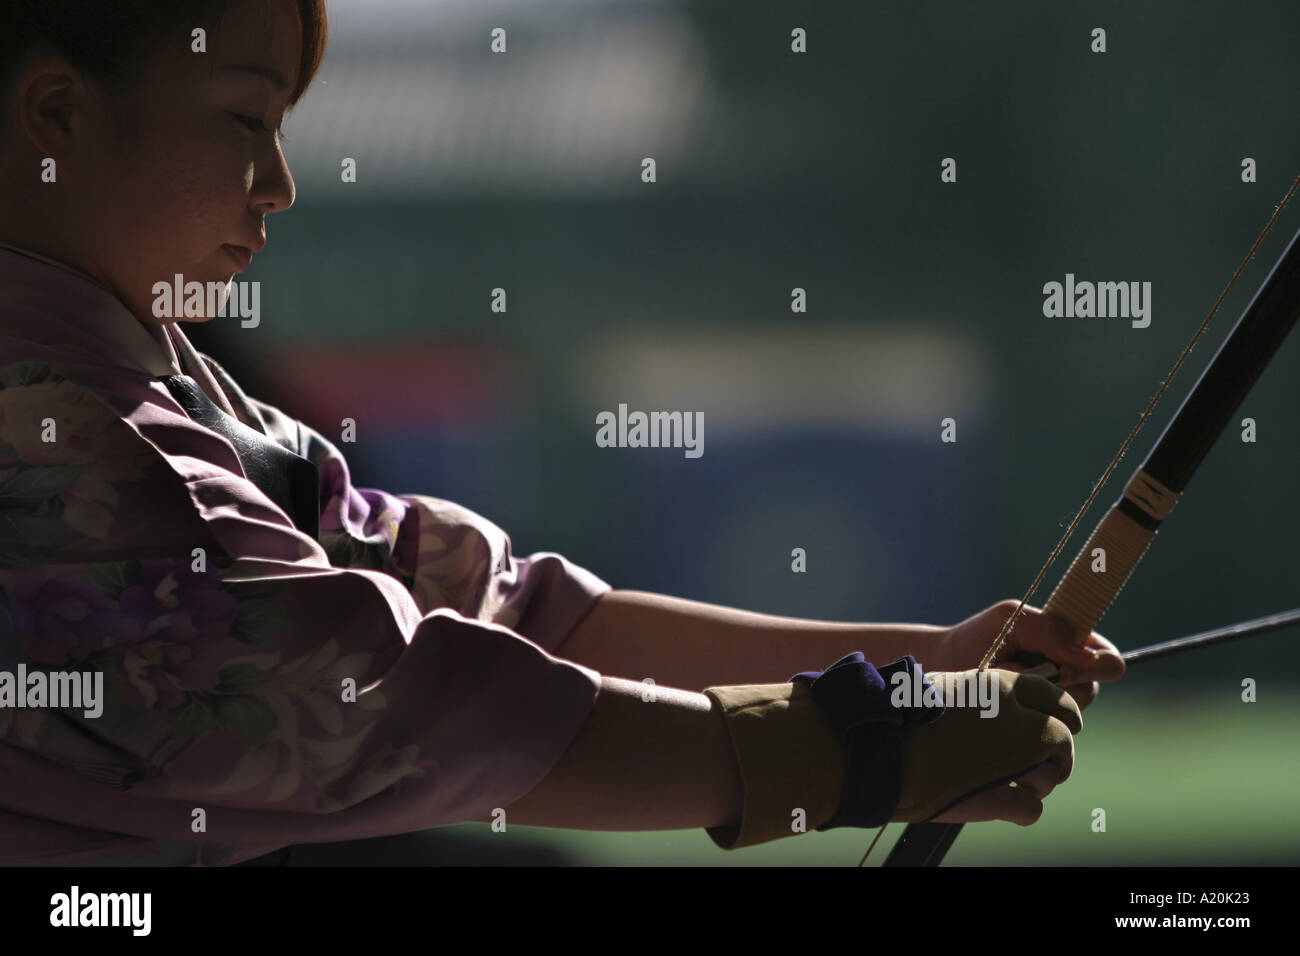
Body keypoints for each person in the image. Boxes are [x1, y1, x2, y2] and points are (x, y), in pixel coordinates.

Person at [0, 0, 1124, 866]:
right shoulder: (61, 434)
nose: (281, 185)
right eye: (245, 119)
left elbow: (506, 606)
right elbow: (411, 702)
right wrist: (867, 748)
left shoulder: (154, 375)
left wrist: (912, 668)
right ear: (58, 115)